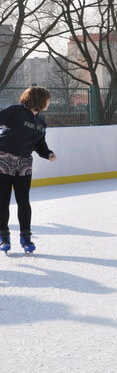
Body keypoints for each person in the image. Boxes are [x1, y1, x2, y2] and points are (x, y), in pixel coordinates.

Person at [0, 87, 57, 254]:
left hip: (24, 163)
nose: (49, 103)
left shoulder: (41, 122)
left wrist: (48, 153)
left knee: (23, 201)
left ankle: (26, 237)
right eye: (48, 100)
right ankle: (3, 236)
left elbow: (40, 144)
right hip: (4, 159)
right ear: (39, 100)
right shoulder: (16, 111)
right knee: (2, 200)